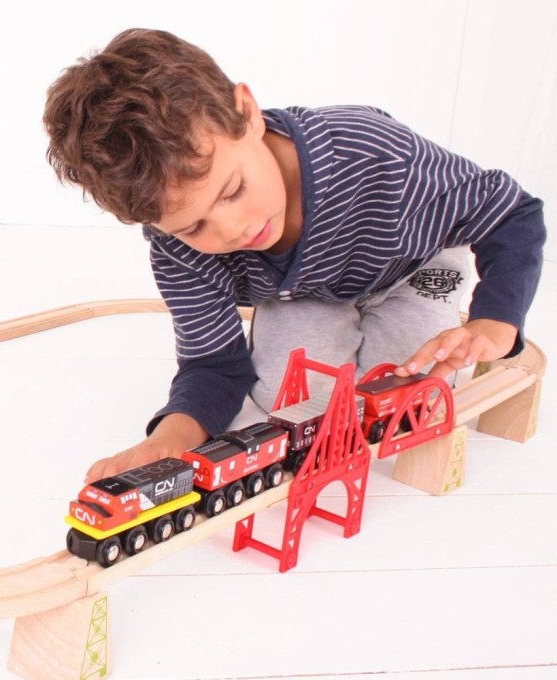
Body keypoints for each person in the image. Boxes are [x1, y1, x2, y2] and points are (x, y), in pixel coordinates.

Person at [43, 28, 545, 482]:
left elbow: (511, 212)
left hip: (415, 268)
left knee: (407, 398)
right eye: (194, 226)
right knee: (293, 404)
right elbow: (215, 365)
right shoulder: (177, 249)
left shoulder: (376, 153)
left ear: (247, 113)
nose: (234, 229)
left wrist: (496, 319)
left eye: (233, 189)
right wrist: (169, 439)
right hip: (308, 292)